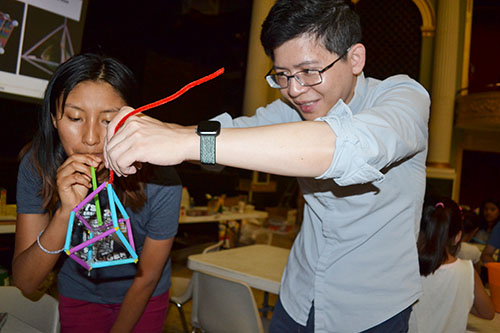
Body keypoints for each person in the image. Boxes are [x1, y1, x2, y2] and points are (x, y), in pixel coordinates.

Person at [105, 0, 430, 331]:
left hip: (373, 310)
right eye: (283, 75)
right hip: (298, 296)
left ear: (355, 58)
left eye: (308, 71)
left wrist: (181, 142)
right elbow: (231, 134)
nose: (294, 90)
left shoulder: (403, 99)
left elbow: (347, 147)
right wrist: (163, 135)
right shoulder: (294, 108)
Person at [12, 53, 182, 333]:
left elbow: (147, 278)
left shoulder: (161, 179)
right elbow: (26, 282)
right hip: (79, 295)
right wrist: (66, 213)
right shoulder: (37, 166)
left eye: (107, 121)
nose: (90, 138)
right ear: (55, 117)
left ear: (129, 121)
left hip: (145, 295)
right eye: (75, 117)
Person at [408, 196, 494, 333]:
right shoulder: (467, 271)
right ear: (457, 237)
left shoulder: (406, 269)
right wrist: (458, 299)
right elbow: (488, 313)